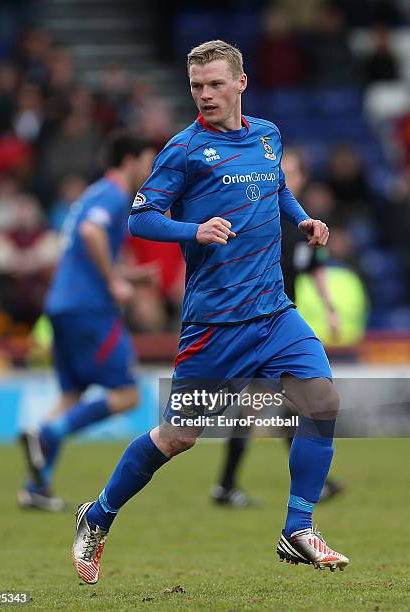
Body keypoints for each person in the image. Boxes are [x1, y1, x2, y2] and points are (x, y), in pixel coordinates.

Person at [72, 40, 349, 584]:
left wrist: (304, 220)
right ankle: (99, 514)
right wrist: (191, 229)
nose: (205, 95)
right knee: (178, 438)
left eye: (216, 84)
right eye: (197, 86)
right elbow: (141, 218)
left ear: (240, 83)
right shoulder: (183, 150)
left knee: (322, 400)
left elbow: (276, 190)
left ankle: (298, 528)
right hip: (216, 324)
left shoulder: (267, 136)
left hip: (273, 312)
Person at [18, 132, 156, 511]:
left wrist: (128, 275)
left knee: (71, 395)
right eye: (148, 159)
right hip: (90, 308)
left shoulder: (92, 195)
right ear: (129, 161)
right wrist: (113, 280)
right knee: (129, 393)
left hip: (62, 306)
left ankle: (36, 486)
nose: (151, 168)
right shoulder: (112, 195)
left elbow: (84, 245)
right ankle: (47, 432)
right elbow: (90, 232)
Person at [211, 150, 344, 508]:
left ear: (301, 178)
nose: (284, 176)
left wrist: (331, 309)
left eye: (290, 172)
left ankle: (228, 486)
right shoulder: (261, 214)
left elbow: (316, 268)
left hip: (280, 326)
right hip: (259, 324)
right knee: (275, 404)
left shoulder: (304, 224)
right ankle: (229, 486)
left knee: (276, 404)